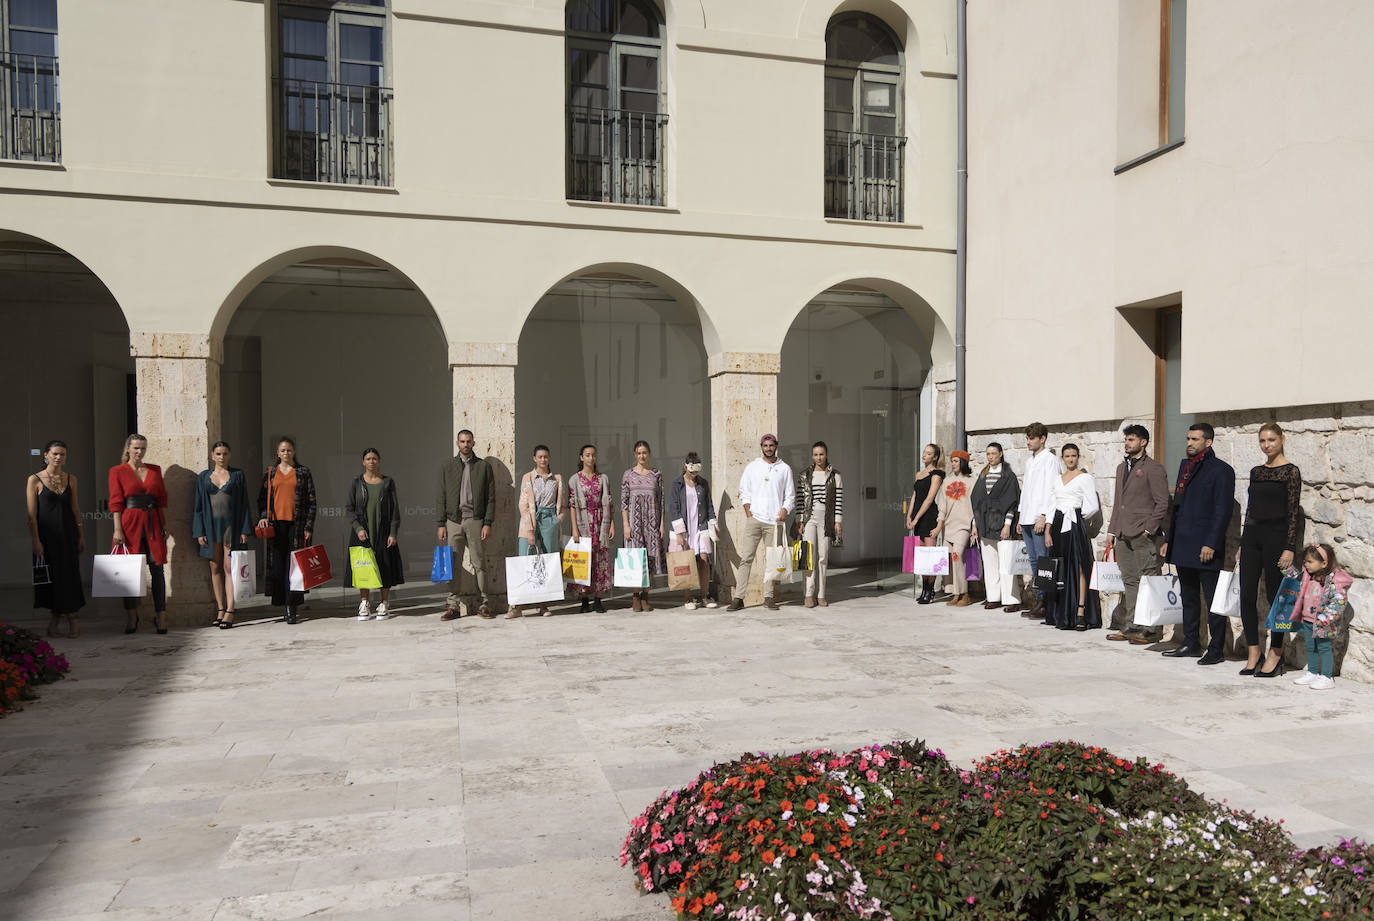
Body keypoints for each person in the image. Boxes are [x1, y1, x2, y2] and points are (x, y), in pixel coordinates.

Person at [1161, 422, 1235, 663]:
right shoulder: (1185, 466)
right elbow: (1178, 506)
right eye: (1188, 439)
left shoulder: (1222, 470)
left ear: (1208, 442)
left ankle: (1216, 649)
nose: (1189, 443)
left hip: (1205, 546)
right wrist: (1169, 540)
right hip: (1183, 542)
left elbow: (1222, 511)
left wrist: (1211, 543)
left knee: (1213, 600)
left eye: (1195, 439)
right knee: (1189, 597)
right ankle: (1191, 642)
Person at [1237, 422, 1303, 677]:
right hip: (1253, 537)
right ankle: (1254, 651)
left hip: (1277, 539)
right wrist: (1243, 543)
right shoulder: (1256, 472)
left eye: (1271, 440)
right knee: (1246, 596)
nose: (1267, 445)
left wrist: (1290, 548)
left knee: (1276, 597)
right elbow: (1250, 510)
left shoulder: (1290, 472)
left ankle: (1276, 652)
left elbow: (1293, 513)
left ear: (1282, 439)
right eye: (1262, 441)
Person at [1104, 425, 1171, 645]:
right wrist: (1112, 531)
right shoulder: (1121, 468)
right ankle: (1132, 625)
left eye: (1131, 439)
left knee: (1149, 580)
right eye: (1126, 439)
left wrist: (1148, 529)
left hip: (1144, 534)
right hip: (1123, 533)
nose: (1127, 443)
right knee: (1130, 580)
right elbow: (1118, 504)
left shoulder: (1154, 468)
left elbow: (1162, 503)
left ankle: (1151, 629)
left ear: (1143, 442)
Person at [110, 434, 169, 634]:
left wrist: (164, 524)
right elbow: (116, 502)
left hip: (153, 523)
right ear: (128, 448)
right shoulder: (117, 471)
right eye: (136, 448)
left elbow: (160, 499)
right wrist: (117, 529)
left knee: (157, 570)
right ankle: (132, 617)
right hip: (129, 524)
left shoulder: (154, 469)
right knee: (130, 573)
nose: (139, 452)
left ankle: (161, 617)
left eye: (143, 448)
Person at [728, 434, 795, 612]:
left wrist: (784, 511)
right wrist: (748, 512)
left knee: (772, 560)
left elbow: (790, 496)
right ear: (761, 447)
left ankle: (769, 597)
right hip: (755, 519)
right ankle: (739, 598)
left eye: (771, 445)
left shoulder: (785, 469)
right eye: (765, 445)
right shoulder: (753, 467)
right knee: (746, 558)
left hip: (774, 521)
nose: (768, 448)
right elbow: (744, 491)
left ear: (776, 446)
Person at [256, 436, 317, 625]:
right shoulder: (270, 473)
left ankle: (292, 607)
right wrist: (263, 516)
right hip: (276, 526)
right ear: (277, 452)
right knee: (279, 566)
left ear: (294, 452)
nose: (285, 453)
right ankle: (283, 603)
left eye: (289, 450)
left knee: (295, 567)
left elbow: (312, 502)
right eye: (282, 450)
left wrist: (308, 527)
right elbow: (262, 499)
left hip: (296, 525)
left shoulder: (303, 472)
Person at [192, 441, 253, 629]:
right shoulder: (203, 477)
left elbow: (244, 504)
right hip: (210, 528)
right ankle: (220, 608)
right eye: (218, 453)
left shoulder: (237, 475)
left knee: (229, 568)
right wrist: (199, 531)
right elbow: (198, 508)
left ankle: (231, 609)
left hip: (230, 527)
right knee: (214, 568)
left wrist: (244, 529)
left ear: (230, 455)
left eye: (225, 453)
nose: (221, 457)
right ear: (212, 455)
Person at [27, 440, 85, 638]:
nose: (59, 457)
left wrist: (81, 535)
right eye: (55, 454)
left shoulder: (71, 479)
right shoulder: (34, 479)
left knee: (69, 578)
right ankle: (59, 620)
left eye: (62, 454)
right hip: (47, 537)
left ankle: (69, 621)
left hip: (68, 535)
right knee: (53, 580)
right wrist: (35, 540)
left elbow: (75, 508)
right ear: (46, 455)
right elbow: (31, 515)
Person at [437, 430, 496, 620]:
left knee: (479, 562)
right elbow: (441, 497)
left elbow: (491, 498)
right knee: (453, 563)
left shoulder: (483, 467)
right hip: (453, 521)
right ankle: (453, 606)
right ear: (457, 443)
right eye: (462, 441)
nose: (465, 444)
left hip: (475, 520)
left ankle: (484, 604)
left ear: (473, 443)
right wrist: (441, 523)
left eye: (468, 441)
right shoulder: (447, 466)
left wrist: (487, 523)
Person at [1043, 444, 1102, 631]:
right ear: (1062, 458)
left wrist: (1077, 516)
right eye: (1067, 456)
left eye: (1073, 455)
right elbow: (1052, 505)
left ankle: (1080, 611)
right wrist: (1047, 529)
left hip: (1074, 521)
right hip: (1058, 523)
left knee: (1080, 567)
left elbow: (1092, 505)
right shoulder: (1057, 479)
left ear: (1078, 457)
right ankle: (1061, 612)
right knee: (1060, 567)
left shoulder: (1085, 478)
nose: (1070, 459)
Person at [346, 448, 404, 622]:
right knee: (364, 567)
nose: (371, 461)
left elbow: (394, 510)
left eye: (374, 458)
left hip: (383, 532)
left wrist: (393, 532)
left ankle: (384, 603)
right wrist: (358, 528)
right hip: (362, 533)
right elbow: (349, 509)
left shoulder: (387, 482)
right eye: (368, 459)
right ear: (363, 462)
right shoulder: (356, 483)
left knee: (384, 567)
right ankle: (364, 603)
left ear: (379, 461)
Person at [1287, 543, 1352, 691]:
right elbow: (1295, 577)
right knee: (1311, 647)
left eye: (1310, 562)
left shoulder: (1334, 581)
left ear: (1324, 563)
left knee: (1324, 647)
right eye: (1305, 561)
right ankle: (1313, 672)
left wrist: (1326, 618)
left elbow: (1339, 601)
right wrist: (1286, 569)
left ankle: (1327, 677)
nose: (1306, 564)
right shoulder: (1308, 576)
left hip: (1323, 621)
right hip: (1308, 619)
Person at [512, 445, 564, 618]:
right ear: (534, 458)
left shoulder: (556, 479)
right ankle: (516, 606)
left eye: (546, 457)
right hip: (530, 520)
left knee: (548, 562)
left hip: (550, 520)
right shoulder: (528, 478)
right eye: (540, 457)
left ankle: (544, 605)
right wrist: (530, 528)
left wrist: (557, 521)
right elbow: (522, 504)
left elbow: (563, 504)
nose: (543, 460)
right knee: (524, 560)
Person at [971, 442, 1021, 612]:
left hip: (1001, 524)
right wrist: (975, 524)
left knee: (1006, 564)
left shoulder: (1009, 476)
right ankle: (993, 597)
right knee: (990, 563)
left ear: (1001, 454)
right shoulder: (983, 475)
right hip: (985, 524)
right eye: (988, 454)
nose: (990, 456)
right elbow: (976, 501)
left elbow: (1012, 503)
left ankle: (1011, 599)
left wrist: (1007, 525)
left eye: (993, 453)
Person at [1017, 423, 1059, 619]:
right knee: (1034, 562)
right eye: (1027, 438)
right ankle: (1039, 601)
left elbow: (1052, 490)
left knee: (1044, 561)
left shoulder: (1050, 460)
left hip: (1038, 518)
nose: (1028, 441)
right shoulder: (1029, 461)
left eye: (1031, 438)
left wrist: (1044, 515)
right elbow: (1026, 491)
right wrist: (1020, 515)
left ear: (1042, 439)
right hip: (1026, 516)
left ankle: (1047, 603)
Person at [794, 441, 843, 608]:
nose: (818, 457)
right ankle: (808, 593)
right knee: (807, 556)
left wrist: (838, 521)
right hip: (809, 518)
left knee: (823, 556)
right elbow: (800, 500)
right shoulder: (804, 475)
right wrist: (799, 520)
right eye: (815, 454)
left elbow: (838, 501)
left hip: (826, 518)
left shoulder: (835, 475)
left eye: (821, 454)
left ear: (826, 454)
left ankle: (821, 594)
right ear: (812, 456)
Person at [668, 451, 716, 610]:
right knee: (685, 563)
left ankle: (704, 596)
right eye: (691, 471)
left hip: (700, 528)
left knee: (704, 560)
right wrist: (679, 532)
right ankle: (688, 598)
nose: (694, 474)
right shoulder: (677, 484)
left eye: (696, 472)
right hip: (685, 529)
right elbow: (674, 507)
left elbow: (709, 504)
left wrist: (713, 523)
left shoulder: (703, 483)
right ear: (685, 467)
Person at [569, 443, 614, 612]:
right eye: (587, 455)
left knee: (601, 562)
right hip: (583, 523)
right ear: (581, 458)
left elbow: (609, 503)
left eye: (593, 455)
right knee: (584, 562)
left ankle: (598, 599)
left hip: (601, 523)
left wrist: (611, 526)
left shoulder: (603, 478)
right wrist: (574, 529)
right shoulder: (574, 479)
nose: (591, 458)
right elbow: (572, 505)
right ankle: (584, 600)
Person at [621, 440, 666, 612]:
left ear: (649, 453)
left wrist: (661, 524)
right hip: (634, 523)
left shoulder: (656, 474)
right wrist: (626, 525)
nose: (642, 456)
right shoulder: (628, 475)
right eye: (639, 453)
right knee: (635, 559)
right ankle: (635, 596)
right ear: (635, 455)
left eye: (644, 452)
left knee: (651, 560)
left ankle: (646, 596)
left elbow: (661, 501)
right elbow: (624, 502)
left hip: (652, 523)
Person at [934, 450, 976, 607]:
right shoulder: (946, 482)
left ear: (963, 462)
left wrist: (974, 525)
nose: (953, 464)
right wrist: (939, 524)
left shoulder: (972, 482)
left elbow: (975, 507)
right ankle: (955, 592)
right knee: (951, 559)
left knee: (957, 555)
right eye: (952, 461)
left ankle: (965, 593)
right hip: (948, 526)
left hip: (964, 525)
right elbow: (942, 505)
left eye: (956, 461)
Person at [904, 443, 945, 604]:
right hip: (917, 516)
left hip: (929, 516)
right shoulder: (918, 474)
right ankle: (923, 589)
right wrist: (909, 516)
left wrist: (916, 518)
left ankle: (930, 589)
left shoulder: (937, 474)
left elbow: (929, 499)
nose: (924, 455)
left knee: (931, 555)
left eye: (928, 453)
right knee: (921, 556)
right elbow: (914, 496)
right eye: (924, 452)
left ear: (935, 457)